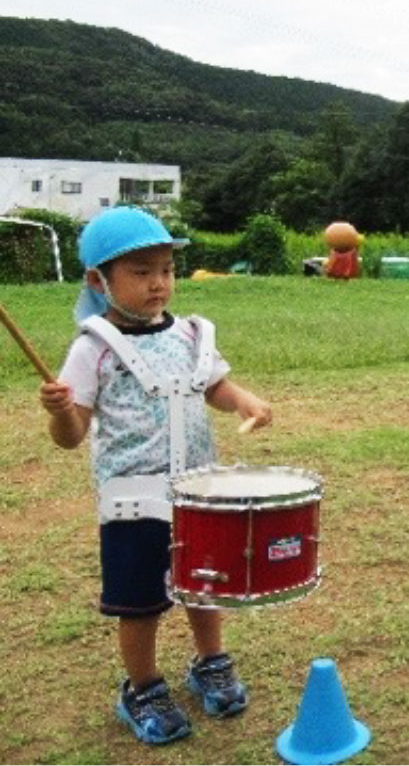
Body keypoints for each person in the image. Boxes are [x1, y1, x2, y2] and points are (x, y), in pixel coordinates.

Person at [38, 207, 272, 746]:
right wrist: (60, 412)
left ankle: (211, 661)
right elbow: (72, 436)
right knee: (140, 602)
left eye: (166, 269)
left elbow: (213, 385)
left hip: (197, 492)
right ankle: (142, 688)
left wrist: (244, 401)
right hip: (132, 501)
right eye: (141, 272)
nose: (159, 283)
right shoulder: (91, 349)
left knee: (205, 584)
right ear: (98, 281)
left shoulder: (189, 334)